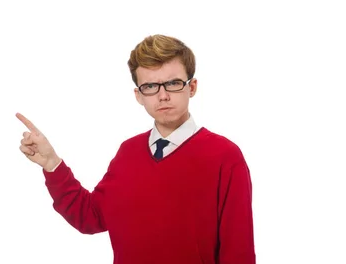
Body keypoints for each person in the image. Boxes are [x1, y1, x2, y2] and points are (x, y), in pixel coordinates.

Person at [16, 34, 256, 264]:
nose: (162, 96)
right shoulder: (128, 153)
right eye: (150, 86)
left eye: (173, 83)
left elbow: (238, 251)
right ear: (139, 95)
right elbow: (90, 217)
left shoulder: (224, 156)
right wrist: (52, 163)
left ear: (191, 87)